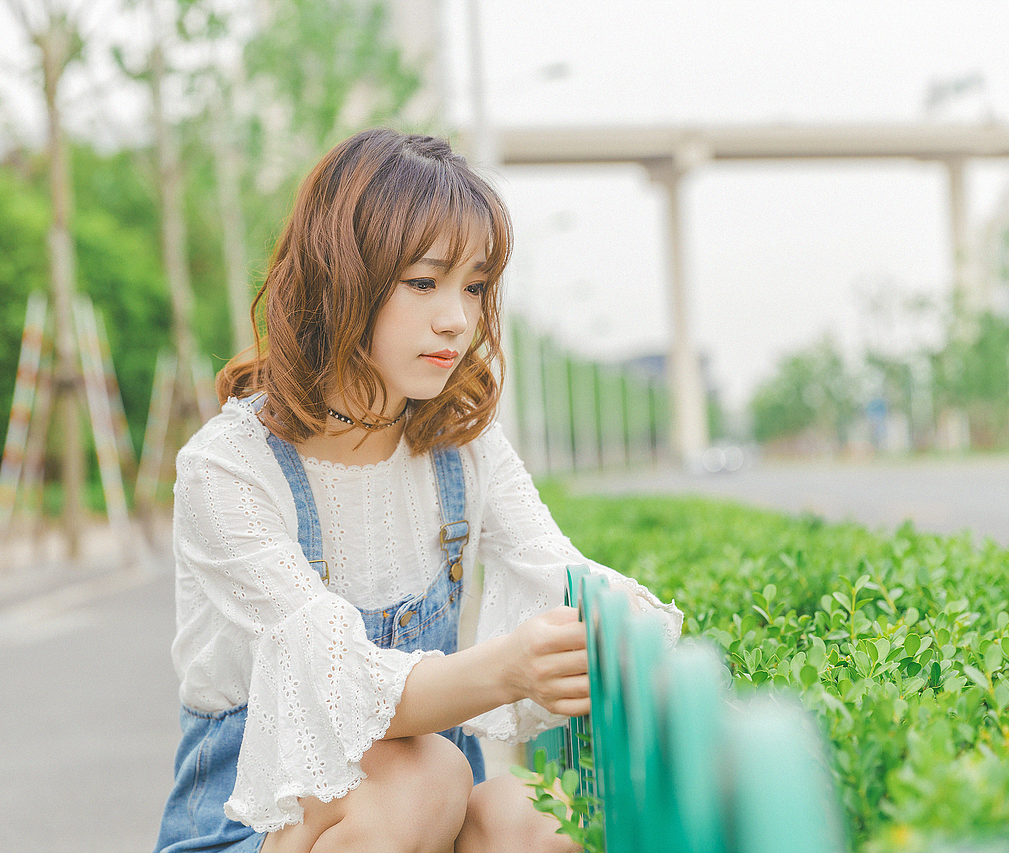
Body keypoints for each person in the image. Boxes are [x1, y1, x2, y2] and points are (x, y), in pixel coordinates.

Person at [153, 128, 682, 853]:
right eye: (424, 281)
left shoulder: (461, 450)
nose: (456, 320)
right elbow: (342, 693)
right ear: (341, 278)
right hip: (252, 832)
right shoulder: (231, 468)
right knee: (425, 774)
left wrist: (629, 633)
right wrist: (508, 667)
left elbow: (558, 570)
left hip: (417, 822)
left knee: (529, 813)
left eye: (473, 286)